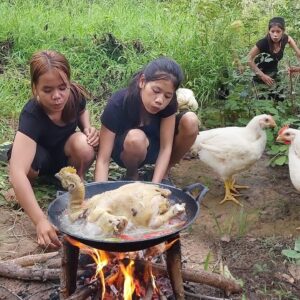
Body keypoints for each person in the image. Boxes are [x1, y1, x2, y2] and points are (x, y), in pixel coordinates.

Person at [8, 50, 99, 249]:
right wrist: (40, 220)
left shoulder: (74, 95)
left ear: (68, 84)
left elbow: (83, 109)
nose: (57, 96)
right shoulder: (32, 114)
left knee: (84, 144)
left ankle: (74, 183)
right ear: (35, 89)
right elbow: (16, 172)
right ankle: (26, 191)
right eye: (47, 90)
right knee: (24, 169)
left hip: (64, 154)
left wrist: (87, 127)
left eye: (62, 88)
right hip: (39, 156)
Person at [94, 57, 199, 184]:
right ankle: (132, 175)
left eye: (167, 96)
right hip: (125, 150)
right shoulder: (118, 103)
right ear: (142, 81)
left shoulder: (169, 102)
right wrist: (100, 194)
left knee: (191, 121)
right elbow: (103, 159)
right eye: (156, 91)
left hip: (155, 146)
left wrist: (155, 187)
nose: (160, 100)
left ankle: (163, 174)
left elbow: (166, 148)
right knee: (136, 138)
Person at [248, 17, 300, 99]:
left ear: (283, 31)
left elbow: (296, 50)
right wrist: (262, 76)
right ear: (269, 31)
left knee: (280, 99)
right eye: (272, 31)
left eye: (278, 31)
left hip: (274, 73)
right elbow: (249, 59)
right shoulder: (263, 43)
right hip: (259, 75)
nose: (275, 35)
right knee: (263, 102)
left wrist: (298, 67)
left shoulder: (285, 39)